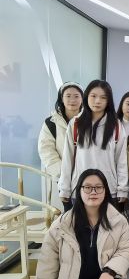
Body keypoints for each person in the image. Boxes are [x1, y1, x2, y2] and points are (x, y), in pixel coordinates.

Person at [58, 80, 128, 206]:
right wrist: (64, 188)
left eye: (103, 97)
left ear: (108, 101)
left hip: (108, 190)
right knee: (79, 220)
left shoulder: (116, 125)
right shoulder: (75, 124)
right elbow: (67, 159)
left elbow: (121, 160)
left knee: (107, 220)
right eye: (93, 96)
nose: (97, 101)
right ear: (86, 97)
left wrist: (122, 188)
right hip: (80, 189)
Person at [38, 81, 83, 211]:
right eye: (68, 96)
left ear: (82, 99)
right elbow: (46, 150)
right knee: (70, 211)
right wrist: (62, 172)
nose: (72, 100)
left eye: (76, 96)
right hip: (63, 177)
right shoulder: (51, 123)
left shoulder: (90, 120)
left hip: (87, 175)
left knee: (89, 212)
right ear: (61, 98)